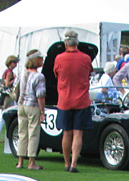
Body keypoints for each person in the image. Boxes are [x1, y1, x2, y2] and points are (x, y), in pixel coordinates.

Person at [53, 28, 92, 172]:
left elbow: (56, 74)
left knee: (66, 132)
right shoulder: (86, 58)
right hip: (81, 100)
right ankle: (74, 163)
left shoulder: (59, 58)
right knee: (78, 133)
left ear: (65, 43)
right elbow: (89, 73)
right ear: (77, 42)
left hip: (64, 100)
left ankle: (66, 163)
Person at [15, 51, 46, 170]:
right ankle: (31, 162)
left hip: (21, 104)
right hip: (32, 105)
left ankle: (20, 161)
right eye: (41, 59)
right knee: (33, 133)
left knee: (22, 132)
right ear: (36, 60)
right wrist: (42, 111)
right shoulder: (39, 76)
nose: (42, 60)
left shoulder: (22, 72)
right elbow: (40, 95)